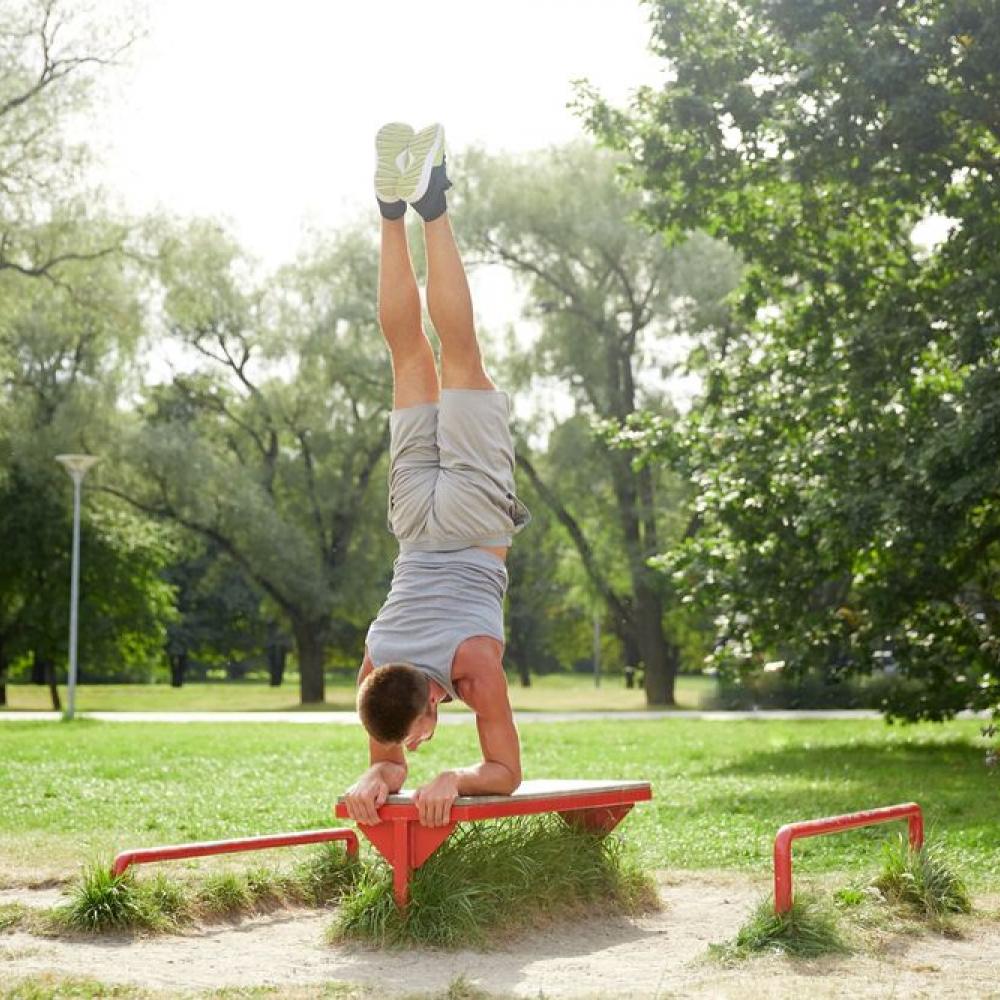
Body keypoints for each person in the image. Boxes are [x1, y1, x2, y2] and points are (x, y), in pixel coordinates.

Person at [341, 123, 531, 831]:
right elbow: (388, 758)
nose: (417, 746)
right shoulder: (375, 669)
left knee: (460, 354)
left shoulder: (473, 666)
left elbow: (506, 773)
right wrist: (375, 772)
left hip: (474, 522)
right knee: (409, 358)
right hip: (414, 524)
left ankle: (432, 202)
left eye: (419, 735)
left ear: (429, 701)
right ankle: (391, 212)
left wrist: (456, 775)